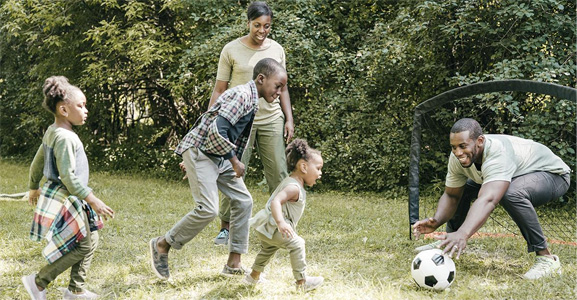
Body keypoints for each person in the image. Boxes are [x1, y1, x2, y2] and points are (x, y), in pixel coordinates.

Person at [148, 58, 288, 280]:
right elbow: (217, 130)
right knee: (208, 209)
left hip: (217, 153)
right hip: (203, 152)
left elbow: (216, 125)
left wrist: (228, 159)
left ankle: (234, 264)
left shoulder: (252, 99)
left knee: (244, 200)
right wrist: (233, 161)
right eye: (277, 86)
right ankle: (162, 244)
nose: (280, 92)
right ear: (261, 79)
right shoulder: (242, 95)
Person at [412, 118, 571, 280]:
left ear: (479, 141)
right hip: (517, 174)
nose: (458, 152)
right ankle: (449, 242)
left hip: (553, 175)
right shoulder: (457, 158)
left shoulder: (498, 153)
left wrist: (464, 233)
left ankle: (546, 258)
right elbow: (452, 195)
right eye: (454, 147)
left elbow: (488, 199)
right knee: (465, 188)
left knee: (511, 193)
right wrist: (437, 220)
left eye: (463, 146)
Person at [209, 1, 294, 246]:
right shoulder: (231, 50)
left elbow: (283, 87)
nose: (261, 30)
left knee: (278, 171)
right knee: (232, 172)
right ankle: (226, 227)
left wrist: (289, 118)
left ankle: (283, 224)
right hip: (239, 121)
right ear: (248, 23)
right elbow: (219, 89)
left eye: (266, 26)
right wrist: (210, 119)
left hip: (271, 119)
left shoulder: (277, 49)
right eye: (257, 25)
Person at [22, 76, 115, 300]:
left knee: (91, 238)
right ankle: (38, 282)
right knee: (83, 245)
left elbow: (37, 160)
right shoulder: (65, 138)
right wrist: (93, 199)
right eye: (81, 105)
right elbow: (68, 176)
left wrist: (33, 186)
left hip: (69, 195)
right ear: (64, 109)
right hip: (68, 197)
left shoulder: (53, 131)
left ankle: (76, 290)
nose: (86, 110)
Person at [244, 139, 324, 292]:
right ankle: (302, 282)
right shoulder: (293, 187)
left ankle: (253, 277)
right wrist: (281, 223)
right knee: (297, 244)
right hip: (274, 227)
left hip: (266, 228)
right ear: (303, 167)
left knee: (268, 249)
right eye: (318, 168)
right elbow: (276, 201)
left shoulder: (292, 183)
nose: (320, 173)